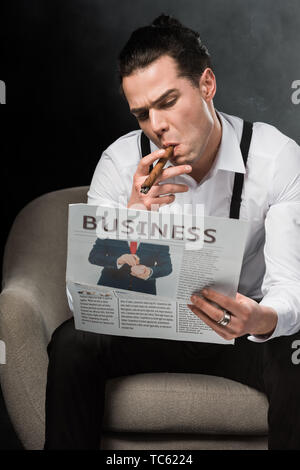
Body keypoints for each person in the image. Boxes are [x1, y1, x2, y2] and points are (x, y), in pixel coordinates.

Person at [44, 15, 300, 450]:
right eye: (142, 113)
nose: (156, 125)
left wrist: (262, 318)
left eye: (168, 101)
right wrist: (129, 221)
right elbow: (82, 304)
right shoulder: (120, 162)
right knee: (70, 344)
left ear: (206, 85)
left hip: (237, 333)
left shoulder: (275, 157)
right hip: (152, 329)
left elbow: (291, 285)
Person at [88, 238, 172, 294]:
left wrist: (149, 272)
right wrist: (118, 260)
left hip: (144, 291)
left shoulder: (158, 235)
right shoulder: (109, 228)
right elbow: (93, 257)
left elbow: (167, 267)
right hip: (109, 288)